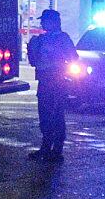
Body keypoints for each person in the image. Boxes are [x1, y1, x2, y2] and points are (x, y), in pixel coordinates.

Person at [26, 8, 78, 162]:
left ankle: (56, 151)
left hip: (57, 82)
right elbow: (35, 61)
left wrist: (58, 59)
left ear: (53, 22)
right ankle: (45, 147)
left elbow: (73, 57)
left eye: (45, 20)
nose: (42, 23)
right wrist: (32, 50)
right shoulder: (41, 39)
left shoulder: (63, 38)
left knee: (56, 115)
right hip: (44, 81)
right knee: (44, 116)